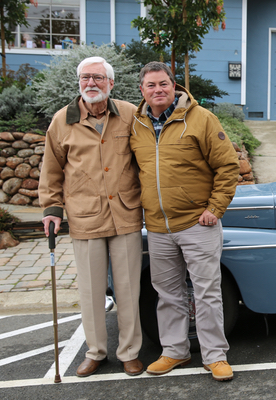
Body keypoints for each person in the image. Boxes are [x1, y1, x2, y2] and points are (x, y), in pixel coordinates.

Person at [130, 62, 240, 381]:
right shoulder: (136, 124)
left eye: (163, 84)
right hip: (158, 227)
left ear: (174, 85)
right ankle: (175, 351)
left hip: (198, 223)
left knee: (206, 292)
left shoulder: (201, 118)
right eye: (151, 85)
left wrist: (215, 208)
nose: (158, 90)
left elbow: (227, 167)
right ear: (142, 90)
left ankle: (215, 356)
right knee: (168, 293)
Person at [38, 56, 144, 377]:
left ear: (111, 83)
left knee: (128, 291)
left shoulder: (129, 114)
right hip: (85, 217)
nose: (91, 84)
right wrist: (52, 210)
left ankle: (129, 352)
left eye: (98, 78)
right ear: (79, 83)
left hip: (125, 214)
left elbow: (146, 160)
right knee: (91, 291)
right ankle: (96, 351)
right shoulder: (62, 121)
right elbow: (51, 169)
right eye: (85, 78)